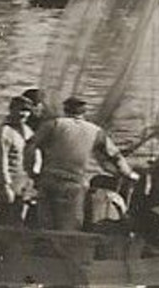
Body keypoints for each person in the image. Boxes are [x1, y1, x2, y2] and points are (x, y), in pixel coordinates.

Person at [26, 96, 139, 232]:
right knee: (70, 227)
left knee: (45, 224)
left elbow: (30, 147)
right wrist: (129, 174)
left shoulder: (53, 124)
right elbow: (115, 156)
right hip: (73, 184)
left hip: (48, 180)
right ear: (83, 112)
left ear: (65, 109)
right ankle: (68, 250)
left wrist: (32, 171)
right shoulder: (95, 131)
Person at [0, 95, 34, 224]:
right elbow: (0, 160)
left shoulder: (27, 131)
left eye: (27, 111)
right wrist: (5, 185)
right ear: (11, 109)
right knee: (6, 218)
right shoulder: (3, 132)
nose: (23, 114)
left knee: (19, 219)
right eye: (20, 110)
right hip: (10, 180)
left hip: (24, 180)